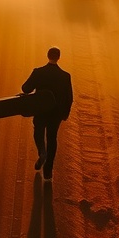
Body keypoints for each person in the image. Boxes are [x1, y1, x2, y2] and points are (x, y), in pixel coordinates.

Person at [21, 46, 73, 183]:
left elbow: (26, 89)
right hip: (56, 113)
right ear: (59, 57)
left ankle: (41, 153)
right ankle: (48, 171)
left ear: (47, 55)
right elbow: (69, 97)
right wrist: (65, 114)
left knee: (38, 131)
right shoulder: (65, 76)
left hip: (41, 109)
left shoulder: (38, 72)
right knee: (52, 137)